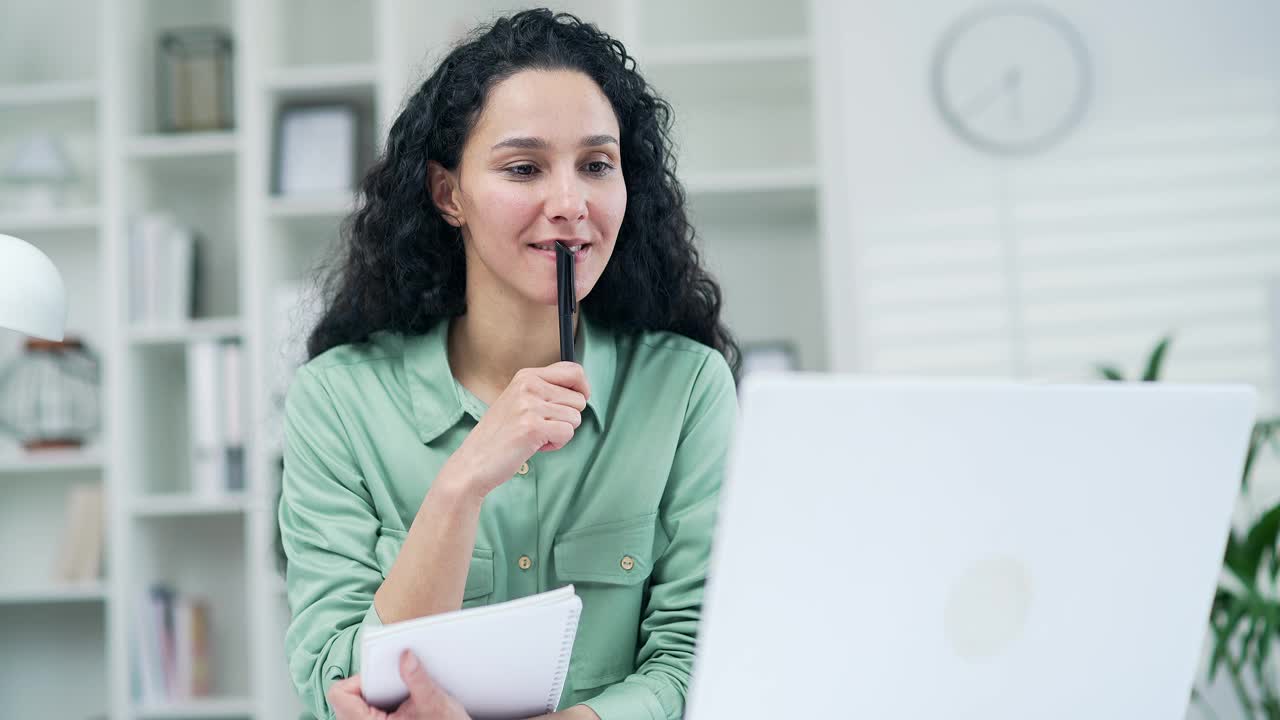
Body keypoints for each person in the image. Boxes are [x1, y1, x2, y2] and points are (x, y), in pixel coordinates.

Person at [278, 8, 741, 720]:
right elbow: (332, 686)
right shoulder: (336, 402)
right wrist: (461, 484)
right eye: (524, 168)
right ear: (448, 193)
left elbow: (700, 660)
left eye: (596, 165)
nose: (569, 203)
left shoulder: (687, 390)